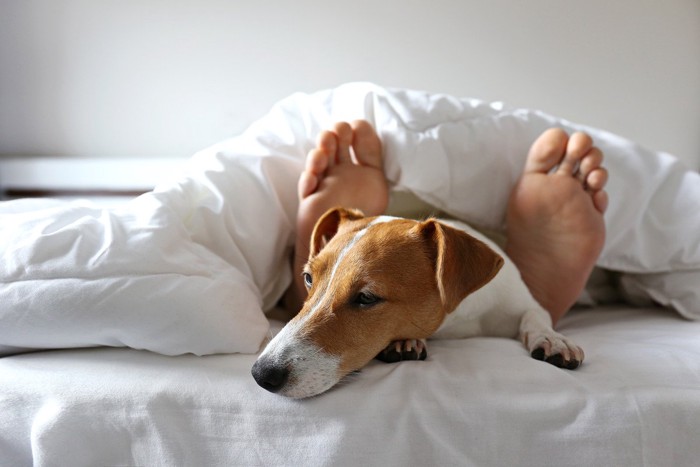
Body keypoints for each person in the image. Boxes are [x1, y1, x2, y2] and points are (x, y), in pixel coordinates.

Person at [284, 120, 608, 327]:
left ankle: (525, 299)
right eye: (310, 276)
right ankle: (322, 273)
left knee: (400, 273)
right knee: (360, 277)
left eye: (365, 297)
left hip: (452, 259)